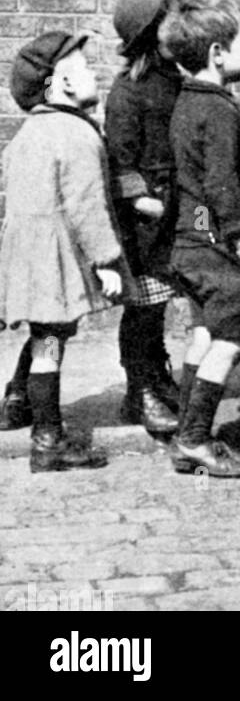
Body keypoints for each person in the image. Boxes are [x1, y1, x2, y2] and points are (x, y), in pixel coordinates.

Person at [0, 33, 124, 471]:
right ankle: (48, 439)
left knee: (45, 333)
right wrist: (106, 260)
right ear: (63, 83)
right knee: (49, 342)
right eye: (86, 68)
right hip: (54, 259)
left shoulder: (25, 136)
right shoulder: (76, 135)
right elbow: (86, 205)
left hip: (24, 257)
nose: (96, 74)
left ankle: (17, 401)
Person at [159, 0, 240, 479]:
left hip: (190, 243)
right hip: (213, 246)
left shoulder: (187, 103)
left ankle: (185, 435)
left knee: (203, 332)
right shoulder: (219, 111)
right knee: (232, 336)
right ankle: (196, 437)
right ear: (218, 54)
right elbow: (221, 182)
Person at [104, 0, 185, 438]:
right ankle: (139, 390)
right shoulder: (127, 93)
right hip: (145, 223)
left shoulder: (178, 82)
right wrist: (143, 200)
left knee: (159, 308)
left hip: (174, 213)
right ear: (151, 33)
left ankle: (156, 375)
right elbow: (121, 159)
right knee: (143, 308)